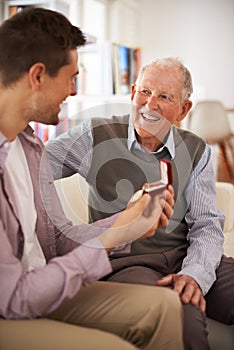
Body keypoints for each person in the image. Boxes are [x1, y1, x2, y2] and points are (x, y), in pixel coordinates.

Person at [0, 8, 185, 350]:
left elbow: (57, 238)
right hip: (13, 304)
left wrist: (127, 222)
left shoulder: (29, 147)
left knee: (164, 307)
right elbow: (14, 298)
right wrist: (110, 238)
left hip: (43, 286)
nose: (73, 91)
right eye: (71, 77)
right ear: (38, 76)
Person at [46, 56, 234, 350]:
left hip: (186, 255)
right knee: (181, 316)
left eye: (164, 97)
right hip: (127, 264)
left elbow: (207, 225)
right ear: (132, 92)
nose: (150, 104)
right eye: (144, 92)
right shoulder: (96, 135)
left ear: (183, 109)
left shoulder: (197, 150)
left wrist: (194, 273)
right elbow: (31, 166)